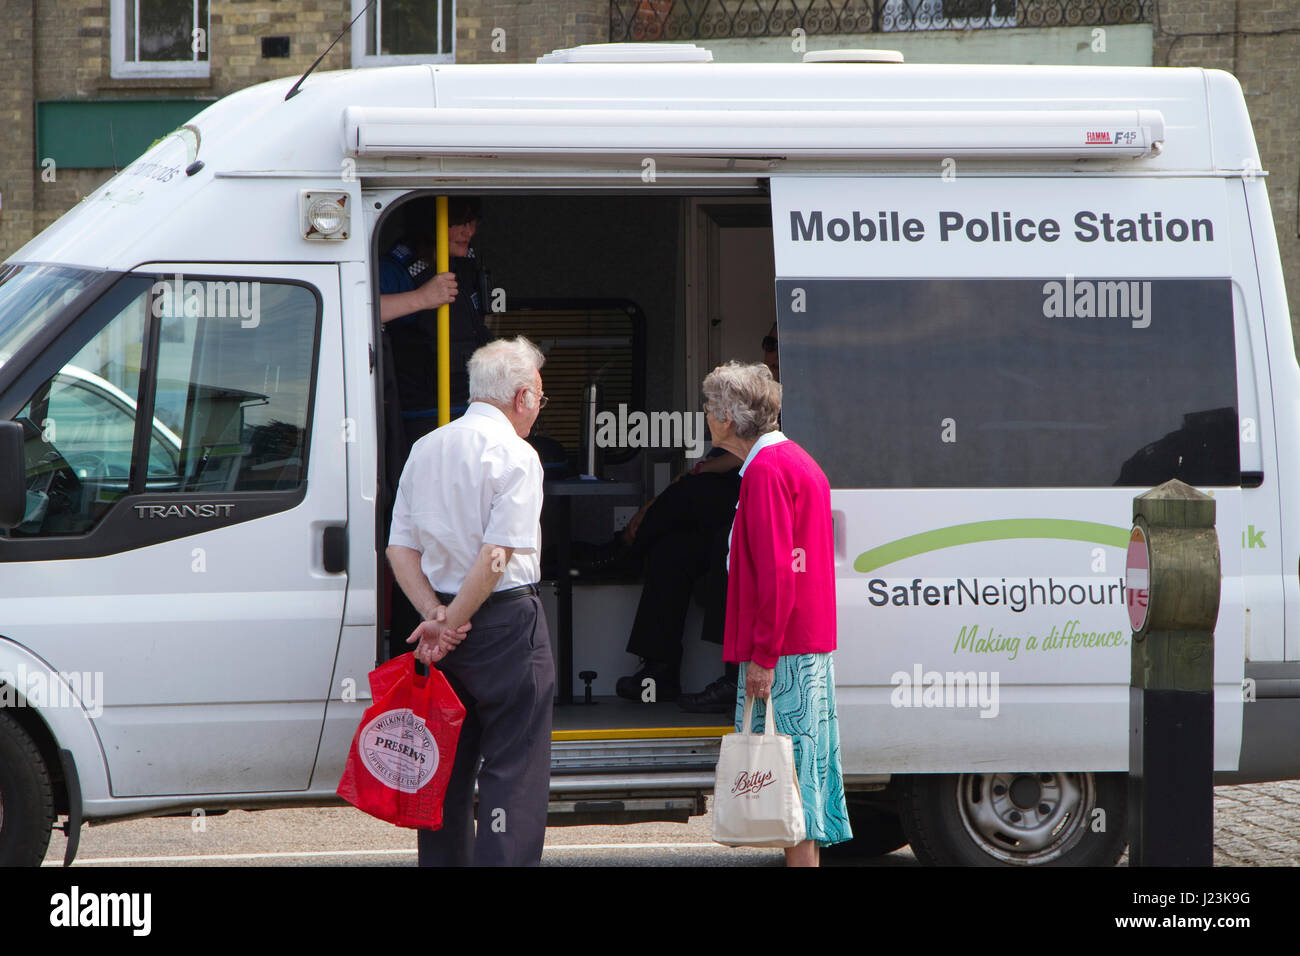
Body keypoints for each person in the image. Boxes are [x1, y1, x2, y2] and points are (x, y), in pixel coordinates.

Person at [386, 336, 553, 867]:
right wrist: (450, 621)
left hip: (441, 626)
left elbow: (398, 546)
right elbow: (498, 554)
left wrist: (434, 616)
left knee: (443, 771)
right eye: (541, 398)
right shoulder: (518, 455)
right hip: (505, 624)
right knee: (513, 772)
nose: (538, 410)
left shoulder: (426, 446)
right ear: (523, 396)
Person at [703, 360, 851, 866]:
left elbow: (776, 574)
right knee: (802, 780)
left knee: (790, 782)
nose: (705, 413)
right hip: (805, 642)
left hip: (783, 647)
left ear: (726, 416)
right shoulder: (793, 460)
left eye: (709, 405)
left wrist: (762, 656)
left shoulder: (764, 472)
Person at [613, 323, 781, 712]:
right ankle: (659, 669)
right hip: (728, 504)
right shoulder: (760, 385)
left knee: (709, 518)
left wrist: (704, 470)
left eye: (777, 343)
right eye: (767, 341)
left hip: (759, 501)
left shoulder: (798, 387)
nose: (771, 350)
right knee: (674, 549)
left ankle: (733, 679)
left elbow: (754, 450)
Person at [380, 197, 493, 660]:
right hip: (419, 420)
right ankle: (423, 624)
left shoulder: (470, 270)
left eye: (470, 222)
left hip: (466, 414)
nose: (465, 230)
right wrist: (423, 298)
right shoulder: (397, 265)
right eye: (456, 221)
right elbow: (359, 308)